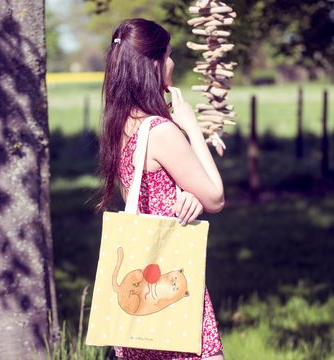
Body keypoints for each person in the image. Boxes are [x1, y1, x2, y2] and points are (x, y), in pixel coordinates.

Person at [96, 18, 225, 360]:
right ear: (153, 63)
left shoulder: (120, 125)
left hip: (137, 296)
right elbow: (216, 197)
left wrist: (184, 196)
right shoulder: (160, 131)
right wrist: (192, 127)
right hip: (170, 283)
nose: (172, 62)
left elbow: (140, 195)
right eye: (168, 54)